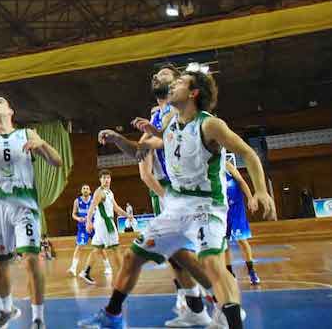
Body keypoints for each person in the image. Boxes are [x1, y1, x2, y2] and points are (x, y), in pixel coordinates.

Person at [80, 67, 277, 329]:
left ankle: (230, 317)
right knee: (133, 256)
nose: (172, 86)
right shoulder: (169, 123)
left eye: (179, 83)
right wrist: (118, 138)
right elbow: (142, 150)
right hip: (176, 205)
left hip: (206, 205)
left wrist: (261, 190)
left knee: (212, 264)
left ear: (193, 93)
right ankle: (113, 315)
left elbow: (249, 154)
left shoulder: (210, 125)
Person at [0, 94, 63, 329]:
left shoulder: (27, 134)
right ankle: (7, 309)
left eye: (0, 102)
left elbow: (57, 161)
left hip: (25, 207)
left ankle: (38, 318)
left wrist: (41, 145)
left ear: (11, 111)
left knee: (31, 259)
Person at [77, 170, 128, 285]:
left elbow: (116, 208)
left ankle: (86, 272)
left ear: (110, 179)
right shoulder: (99, 192)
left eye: (108, 178)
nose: (106, 180)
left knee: (97, 249)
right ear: (100, 180)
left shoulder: (109, 192)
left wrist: (127, 215)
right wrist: (88, 222)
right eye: (104, 178)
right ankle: (123, 275)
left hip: (104, 223)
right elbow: (92, 207)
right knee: (115, 248)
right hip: (104, 223)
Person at [224, 155, 261, 285]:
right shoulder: (207, 169)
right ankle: (229, 273)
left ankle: (252, 272)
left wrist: (250, 198)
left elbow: (241, 181)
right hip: (222, 210)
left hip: (236, 208)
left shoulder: (227, 165)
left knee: (242, 241)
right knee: (224, 244)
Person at [68, 184, 93, 276]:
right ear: (81, 191)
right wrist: (78, 219)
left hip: (93, 226)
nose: (85, 190)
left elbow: (98, 212)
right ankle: (73, 268)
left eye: (87, 188)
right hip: (82, 227)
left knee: (100, 247)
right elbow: (73, 214)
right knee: (79, 246)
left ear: (90, 191)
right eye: (84, 188)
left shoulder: (94, 199)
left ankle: (108, 267)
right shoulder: (77, 201)